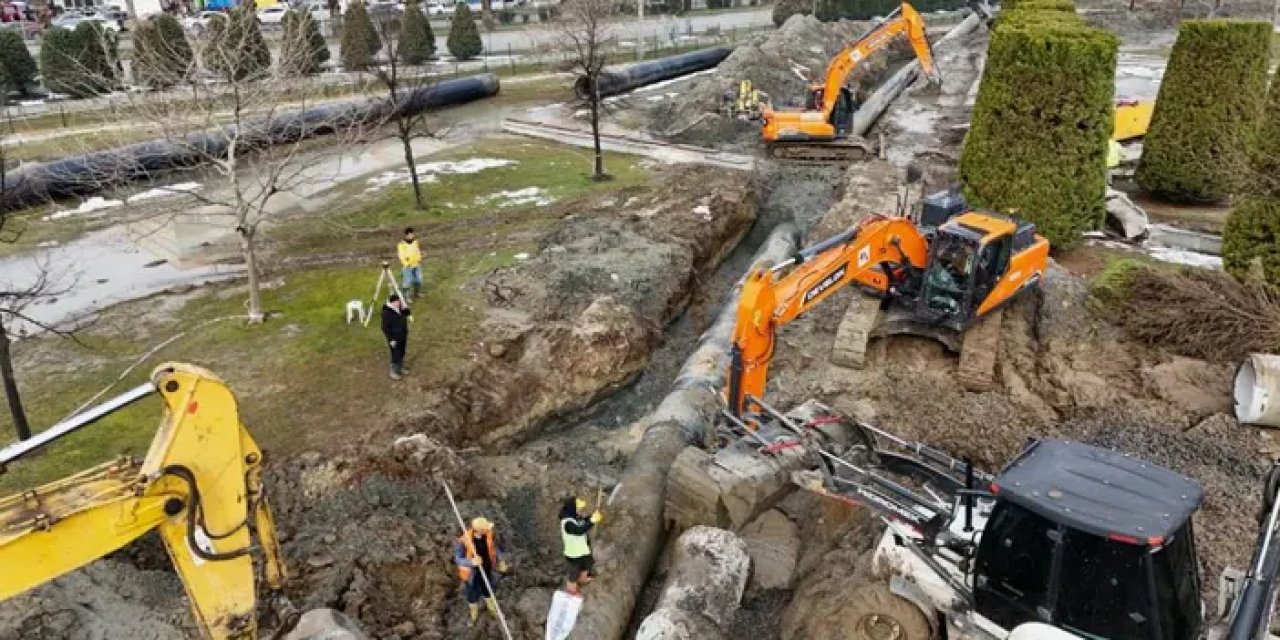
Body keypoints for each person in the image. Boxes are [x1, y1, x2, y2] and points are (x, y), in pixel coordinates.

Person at [453, 517, 510, 624]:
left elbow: (494, 549)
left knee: (488, 590)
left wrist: (501, 560)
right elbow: (458, 559)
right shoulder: (464, 541)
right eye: (486, 528)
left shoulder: (488, 535)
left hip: (487, 570)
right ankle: (474, 613)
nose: (488, 530)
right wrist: (471, 562)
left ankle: (492, 609)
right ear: (479, 530)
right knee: (472, 595)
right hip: (472, 575)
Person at [560, 496, 603, 595]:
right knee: (574, 574)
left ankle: (582, 579)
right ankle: (572, 591)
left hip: (582, 550)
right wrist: (592, 521)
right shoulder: (567, 523)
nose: (580, 510)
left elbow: (583, 521)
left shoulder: (575, 517)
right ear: (572, 508)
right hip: (573, 554)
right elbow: (579, 530)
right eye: (578, 508)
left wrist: (592, 517)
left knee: (588, 563)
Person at [380, 293, 411, 380]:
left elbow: (407, 313)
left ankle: (400, 367)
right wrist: (391, 339)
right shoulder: (387, 313)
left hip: (403, 334)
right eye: (397, 302)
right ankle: (393, 371)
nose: (398, 303)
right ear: (392, 303)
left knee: (402, 352)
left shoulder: (400, 308)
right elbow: (384, 328)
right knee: (395, 354)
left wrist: (405, 307)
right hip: (394, 338)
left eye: (399, 301)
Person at [397, 227, 423, 300]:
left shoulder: (415, 242)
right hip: (408, 266)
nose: (412, 236)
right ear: (406, 235)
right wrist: (406, 263)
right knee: (407, 282)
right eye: (410, 235)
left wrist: (419, 258)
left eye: (412, 234)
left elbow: (417, 251)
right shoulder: (401, 244)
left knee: (419, 280)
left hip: (416, 264)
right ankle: (406, 297)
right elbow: (401, 255)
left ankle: (417, 294)